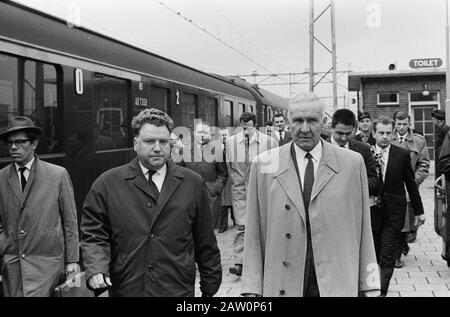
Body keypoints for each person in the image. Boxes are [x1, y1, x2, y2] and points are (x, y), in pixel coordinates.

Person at [241, 93, 380, 297]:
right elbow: (253, 232)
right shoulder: (264, 164)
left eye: (312, 120)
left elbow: (364, 229)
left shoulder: (352, 163)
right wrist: (251, 288)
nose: (304, 129)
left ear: (323, 122)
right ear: (289, 123)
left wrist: (370, 285)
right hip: (283, 281)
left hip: (336, 281)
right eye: (298, 120)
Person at [81, 108, 222, 297]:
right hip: (128, 287)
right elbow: (94, 232)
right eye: (149, 141)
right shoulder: (108, 184)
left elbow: (205, 240)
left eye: (163, 142)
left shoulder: (193, 183)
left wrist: (209, 287)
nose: (157, 148)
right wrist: (96, 268)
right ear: (135, 143)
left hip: (176, 288)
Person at [0, 116, 79, 297]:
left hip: (48, 265)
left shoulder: (57, 175)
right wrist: (5, 244)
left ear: (34, 144)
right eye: (9, 142)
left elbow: (70, 220)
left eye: (19, 142)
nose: (13, 147)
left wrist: (73, 260)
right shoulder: (1, 178)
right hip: (13, 265)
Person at [370, 117, 425, 296]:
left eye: (388, 133)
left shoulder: (401, 154)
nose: (385, 137)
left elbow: (410, 184)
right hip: (372, 212)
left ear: (393, 134)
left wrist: (419, 211)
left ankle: (382, 291)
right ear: (374, 133)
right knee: (374, 254)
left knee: (388, 255)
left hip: (394, 212)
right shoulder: (365, 154)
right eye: (381, 133)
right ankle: (371, 285)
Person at [226, 112, 277, 276]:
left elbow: (274, 167)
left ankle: (263, 260)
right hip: (240, 190)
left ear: (254, 125)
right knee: (241, 226)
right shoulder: (231, 142)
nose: (245, 130)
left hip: (262, 189)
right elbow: (230, 166)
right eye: (242, 126)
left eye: (248, 126)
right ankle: (239, 263)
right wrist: (236, 181)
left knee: (262, 224)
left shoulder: (269, 142)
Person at [391, 112, 429, 267]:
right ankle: (396, 254)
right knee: (393, 222)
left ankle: (400, 247)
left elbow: (424, 164)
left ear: (409, 124)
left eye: (404, 124)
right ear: (394, 123)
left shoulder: (418, 141)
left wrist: (413, 182)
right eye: (398, 124)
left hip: (408, 188)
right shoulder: (387, 138)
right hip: (391, 187)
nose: (401, 127)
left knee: (406, 223)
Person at [179, 121, 228, 229]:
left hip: (210, 197)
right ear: (194, 133)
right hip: (188, 195)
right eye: (199, 132)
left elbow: (223, 173)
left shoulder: (218, 151)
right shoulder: (183, 150)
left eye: (205, 132)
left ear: (210, 134)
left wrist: (215, 189)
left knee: (208, 231)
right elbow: (177, 172)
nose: (202, 135)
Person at [328, 109, 380, 196]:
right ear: (331, 128)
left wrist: (353, 183)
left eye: (348, 133)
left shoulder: (363, 149)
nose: (344, 138)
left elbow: (374, 181)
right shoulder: (320, 149)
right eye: (340, 133)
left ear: (354, 129)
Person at [432, 110, 450, 177]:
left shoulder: (445, 129)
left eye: (434, 119)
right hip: (441, 159)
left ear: (440, 121)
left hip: (443, 160)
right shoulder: (440, 128)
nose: (433, 121)